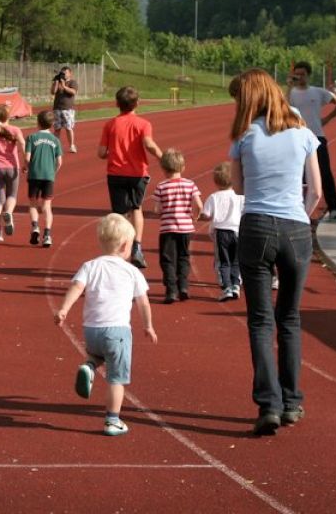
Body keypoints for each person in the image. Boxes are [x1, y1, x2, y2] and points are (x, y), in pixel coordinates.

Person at [229, 68, 321, 436]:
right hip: (296, 227)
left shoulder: (244, 134)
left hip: (256, 226)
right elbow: (316, 190)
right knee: (290, 318)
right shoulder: (302, 131)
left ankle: (269, 404)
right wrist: (300, 217)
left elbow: (238, 187)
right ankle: (293, 401)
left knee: (260, 320)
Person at [55, 214, 157, 437]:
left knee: (99, 354)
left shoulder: (90, 266)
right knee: (116, 378)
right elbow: (143, 302)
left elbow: (76, 287)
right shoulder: (132, 271)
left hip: (91, 330)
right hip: (118, 330)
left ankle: (90, 366)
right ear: (125, 246)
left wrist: (64, 309)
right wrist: (148, 325)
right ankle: (113, 420)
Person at [98, 86, 162, 269]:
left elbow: (101, 152)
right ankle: (137, 247)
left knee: (119, 214)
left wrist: (112, 152)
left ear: (117, 104)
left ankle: (119, 248)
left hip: (116, 173)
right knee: (136, 209)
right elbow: (149, 144)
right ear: (137, 103)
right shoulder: (143, 124)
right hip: (137, 174)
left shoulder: (110, 124)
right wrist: (161, 157)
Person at [289, 61, 336, 221]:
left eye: (303, 74)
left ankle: (333, 209)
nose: (300, 77)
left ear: (308, 75)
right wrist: (289, 87)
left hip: (317, 137)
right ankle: (300, 211)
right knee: (299, 176)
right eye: (297, 74)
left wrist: (327, 118)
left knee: (325, 173)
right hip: (297, 139)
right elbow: (282, 107)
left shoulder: (318, 92)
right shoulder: (291, 94)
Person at [152, 148, 203, 304]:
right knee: (183, 257)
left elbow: (157, 209)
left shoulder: (161, 186)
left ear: (163, 168)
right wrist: (196, 215)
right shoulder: (190, 184)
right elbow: (199, 205)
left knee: (167, 259)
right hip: (186, 228)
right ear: (183, 167)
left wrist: (162, 211)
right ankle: (183, 286)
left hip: (168, 228)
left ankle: (171, 290)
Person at [200, 162, 244, 302]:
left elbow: (206, 214)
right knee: (236, 260)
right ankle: (236, 284)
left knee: (223, 261)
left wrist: (200, 216)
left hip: (221, 232)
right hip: (237, 232)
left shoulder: (214, 197)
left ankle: (226, 287)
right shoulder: (240, 197)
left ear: (216, 181)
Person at [0, 103, 24, 242]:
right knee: (12, 195)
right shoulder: (15, 130)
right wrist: (25, 159)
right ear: (9, 116)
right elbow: (23, 144)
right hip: (12, 166)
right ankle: (8, 212)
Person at [24, 109, 63, 247]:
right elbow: (59, 162)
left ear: (38, 123)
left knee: (33, 203)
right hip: (48, 176)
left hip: (34, 175)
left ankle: (35, 226)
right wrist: (53, 172)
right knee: (47, 206)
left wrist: (27, 167)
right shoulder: (56, 140)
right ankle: (47, 235)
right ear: (52, 124)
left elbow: (27, 158)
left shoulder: (31, 138)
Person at [50, 65, 78, 154]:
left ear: (70, 74)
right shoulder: (58, 81)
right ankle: (56, 147)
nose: (64, 75)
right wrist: (56, 82)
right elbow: (53, 92)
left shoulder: (72, 82)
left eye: (65, 73)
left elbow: (73, 92)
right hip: (57, 108)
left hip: (68, 109)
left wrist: (64, 86)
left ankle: (71, 145)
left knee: (68, 128)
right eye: (62, 73)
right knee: (57, 128)